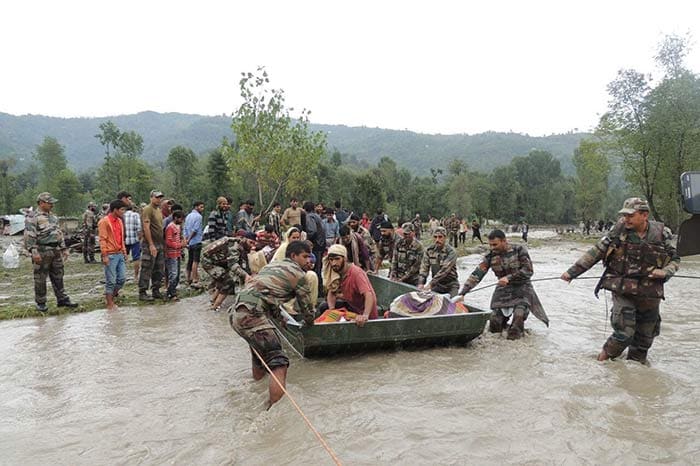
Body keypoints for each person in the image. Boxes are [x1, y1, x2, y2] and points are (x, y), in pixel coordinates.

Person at [561, 197, 680, 364]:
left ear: (644, 215)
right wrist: (572, 273)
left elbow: (675, 259)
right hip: (623, 290)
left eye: (630, 215)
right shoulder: (618, 231)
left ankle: (633, 380)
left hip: (650, 294)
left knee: (644, 341)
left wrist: (665, 272)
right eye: (624, 215)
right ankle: (599, 366)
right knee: (623, 334)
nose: (626, 219)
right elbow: (596, 252)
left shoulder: (662, 233)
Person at [228, 240, 315, 408]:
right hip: (253, 315)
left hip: (236, 314)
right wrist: (310, 324)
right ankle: (273, 410)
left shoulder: (271, 267)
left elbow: (267, 295)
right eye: (305, 257)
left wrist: (279, 318)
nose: (308, 261)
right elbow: (307, 307)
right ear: (293, 256)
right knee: (279, 362)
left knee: (259, 354)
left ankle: (257, 390)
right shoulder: (299, 275)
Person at [458, 229, 548, 339]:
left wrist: (509, 278)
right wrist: (463, 293)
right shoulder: (490, 256)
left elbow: (528, 271)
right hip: (503, 289)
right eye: (490, 245)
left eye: (495, 244)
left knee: (518, 319)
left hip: (523, 289)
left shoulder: (519, 249)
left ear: (504, 241)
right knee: (494, 323)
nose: (492, 247)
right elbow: (477, 274)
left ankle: (516, 339)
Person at [24, 192, 78, 312]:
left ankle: (62, 299)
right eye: (49, 203)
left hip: (56, 250)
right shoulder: (33, 217)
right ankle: (41, 302)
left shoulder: (53, 217)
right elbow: (29, 235)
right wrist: (33, 251)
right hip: (42, 250)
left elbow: (59, 233)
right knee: (40, 278)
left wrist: (64, 248)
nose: (52, 205)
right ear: (41, 203)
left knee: (58, 275)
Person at [322, 244, 378, 326]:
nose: (334, 263)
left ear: (344, 259)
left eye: (337, 259)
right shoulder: (336, 272)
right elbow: (332, 292)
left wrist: (365, 315)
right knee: (324, 307)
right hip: (351, 306)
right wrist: (332, 310)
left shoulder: (356, 273)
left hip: (363, 311)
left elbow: (368, 294)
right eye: (331, 260)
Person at [201, 231, 253, 311]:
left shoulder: (240, 244)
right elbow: (233, 265)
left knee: (223, 280)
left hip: (218, 260)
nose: (252, 246)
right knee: (229, 283)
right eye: (251, 242)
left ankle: (212, 302)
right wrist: (246, 275)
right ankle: (214, 308)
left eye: (254, 243)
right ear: (245, 239)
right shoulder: (235, 246)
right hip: (209, 262)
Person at [98, 199, 128, 311]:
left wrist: (124, 252)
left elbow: (121, 238)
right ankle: (109, 303)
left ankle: (111, 296)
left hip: (119, 253)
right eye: (122, 210)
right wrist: (104, 255)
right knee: (111, 280)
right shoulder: (104, 222)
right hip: (110, 254)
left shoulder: (120, 221)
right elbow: (102, 239)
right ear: (115, 210)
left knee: (122, 278)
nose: (123, 212)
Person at [138, 190, 165, 301]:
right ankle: (142, 292)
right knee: (147, 267)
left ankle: (156, 290)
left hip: (159, 243)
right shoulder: (147, 209)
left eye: (160, 197)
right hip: (150, 243)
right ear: (151, 198)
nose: (159, 199)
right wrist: (151, 244)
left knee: (159, 268)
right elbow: (146, 227)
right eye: (157, 197)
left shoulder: (158, 210)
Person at [418, 227, 459, 296]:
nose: (437, 240)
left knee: (453, 304)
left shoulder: (451, 252)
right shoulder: (429, 250)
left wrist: (430, 284)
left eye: (440, 237)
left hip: (451, 285)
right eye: (435, 237)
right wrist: (421, 283)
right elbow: (424, 268)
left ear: (445, 238)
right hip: (437, 285)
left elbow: (444, 270)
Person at [183, 201, 205, 288]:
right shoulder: (199, 217)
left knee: (190, 260)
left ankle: (188, 278)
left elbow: (184, 228)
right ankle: (195, 278)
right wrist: (189, 239)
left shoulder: (188, 216)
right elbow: (195, 230)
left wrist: (186, 239)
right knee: (196, 261)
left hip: (190, 242)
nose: (202, 209)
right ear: (196, 207)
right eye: (201, 207)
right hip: (196, 241)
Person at [165, 210, 185, 301]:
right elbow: (168, 242)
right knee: (173, 274)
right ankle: (171, 293)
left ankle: (171, 292)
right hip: (171, 254)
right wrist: (180, 245)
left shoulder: (178, 227)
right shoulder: (170, 227)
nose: (182, 220)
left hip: (177, 253)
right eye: (181, 218)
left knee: (176, 274)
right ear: (176, 218)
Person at [123, 200, 142, 283]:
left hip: (124, 240)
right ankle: (136, 276)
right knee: (136, 258)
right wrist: (140, 238)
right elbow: (139, 229)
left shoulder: (122, 215)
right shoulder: (135, 215)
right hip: (135, 240)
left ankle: (122, 275)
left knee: (123, 258)